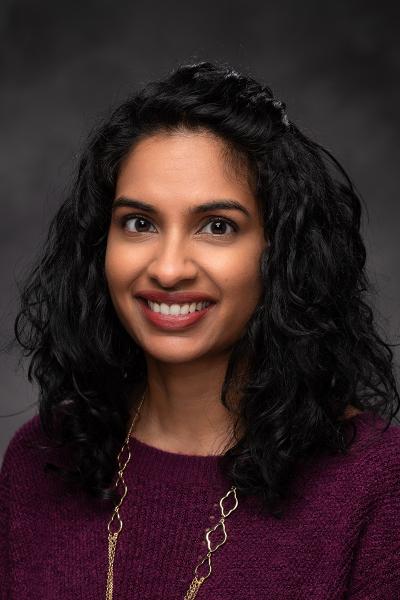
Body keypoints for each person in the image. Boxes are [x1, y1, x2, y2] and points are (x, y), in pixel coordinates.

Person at [0, 60, 399, 600]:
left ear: (280, 253)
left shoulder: (375, 482)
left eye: (217, 226)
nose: (167, 269)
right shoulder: (40, 456)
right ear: (101, 245)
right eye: (139, 223)